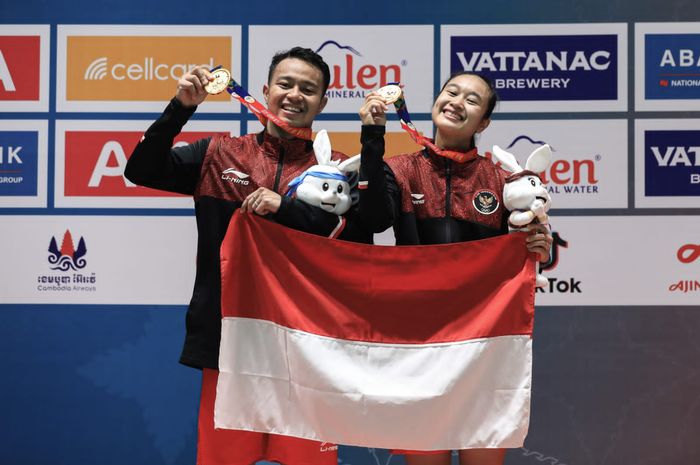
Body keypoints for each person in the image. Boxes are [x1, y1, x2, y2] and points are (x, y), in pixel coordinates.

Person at [125, 46, 372, 465]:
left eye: (308, 89)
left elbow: (360, 244)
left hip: (306, 347)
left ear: (323, 102)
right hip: (229, 341)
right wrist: (180, 108)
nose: (295, 95)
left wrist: (287, 207)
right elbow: (141, 170)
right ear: (265, 90)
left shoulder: (339, 173)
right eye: (286, 84)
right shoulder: (219, 154)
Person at [356, 72, 553, 465]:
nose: (457, 102)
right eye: (451, 92)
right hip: (419, 346)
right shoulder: (400, 169)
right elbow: (373, 218)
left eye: (472, 100)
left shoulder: (502, 180)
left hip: (483, 348)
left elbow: (528, 250)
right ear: (435, 102)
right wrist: (372, 136)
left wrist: (540, 248)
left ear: (483, 123)